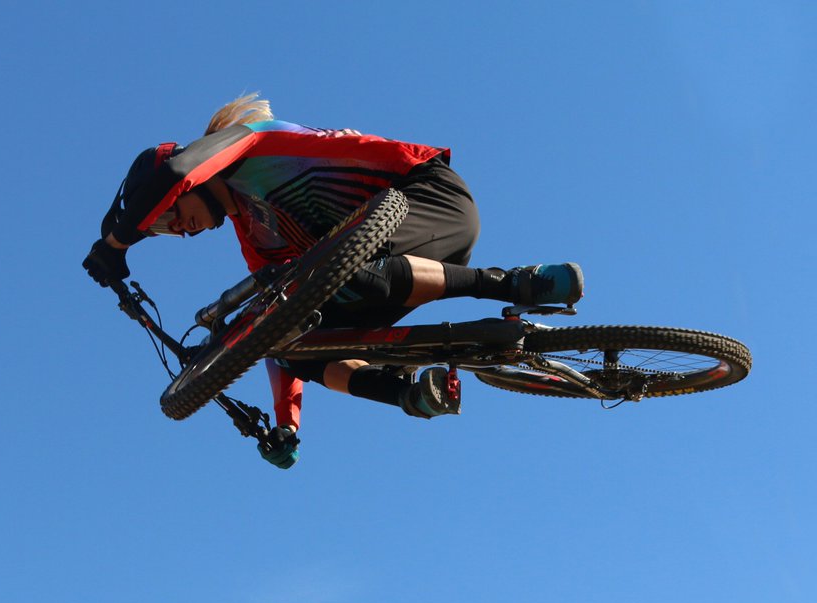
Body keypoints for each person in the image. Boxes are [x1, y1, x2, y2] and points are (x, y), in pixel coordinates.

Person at [83, 95, 583, 469]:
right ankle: (407, 395)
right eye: (167, 234)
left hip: (426, 197)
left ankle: (513, 283)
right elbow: (275, 324)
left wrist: (119, 243)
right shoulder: (256, 236)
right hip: (382, 263)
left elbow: (172, 169)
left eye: (170, 220)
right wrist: (286, 422)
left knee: (348, 271)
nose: (180, 232)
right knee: (288, 334)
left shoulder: (246, 141)